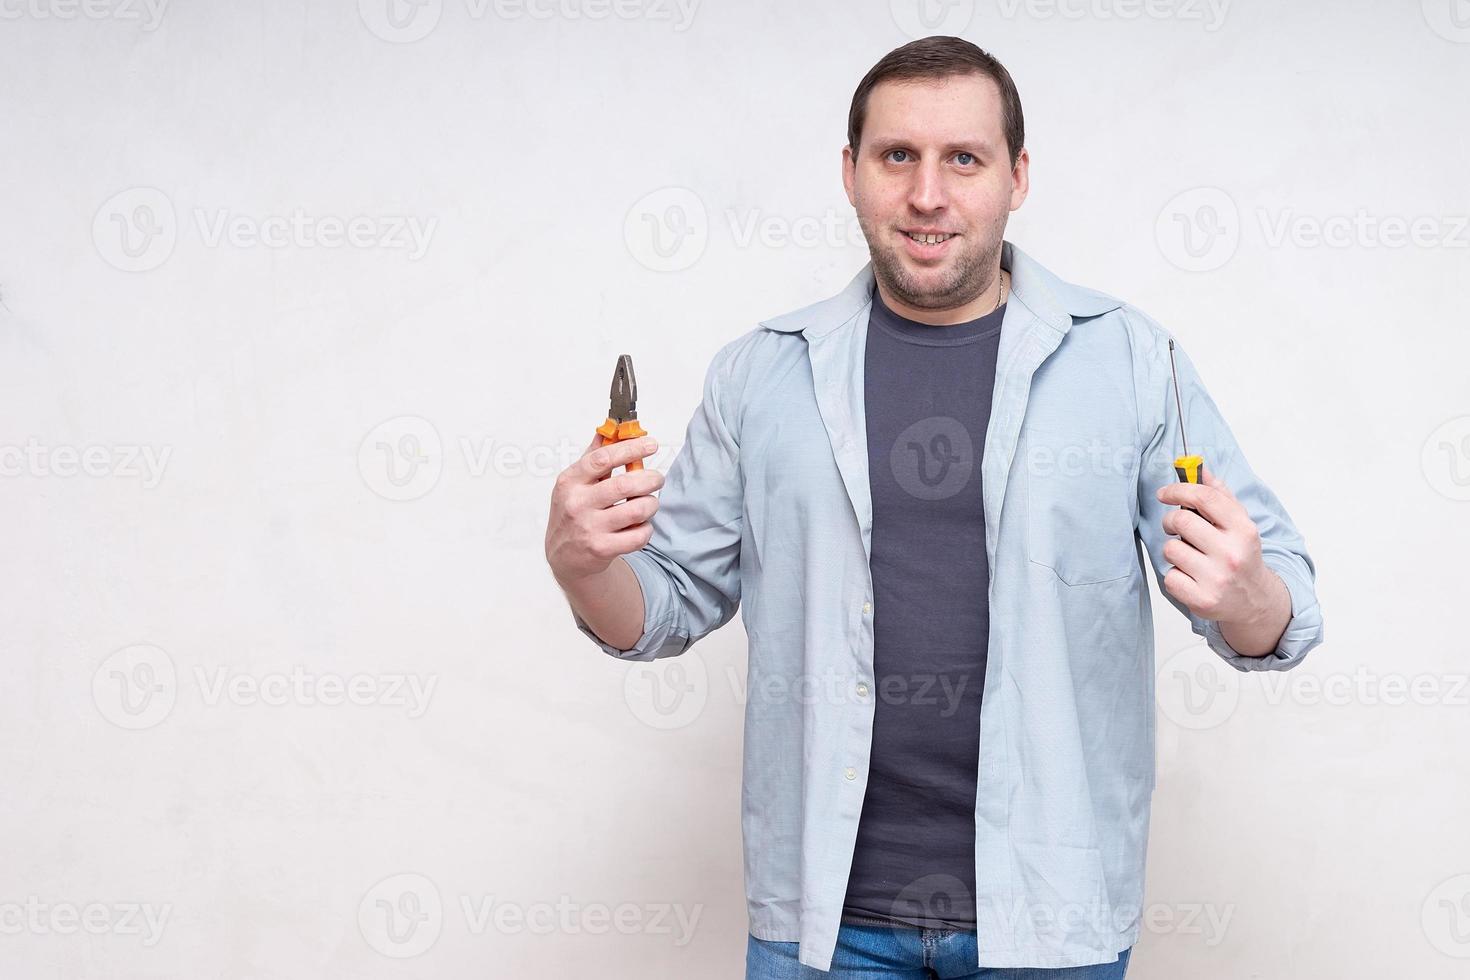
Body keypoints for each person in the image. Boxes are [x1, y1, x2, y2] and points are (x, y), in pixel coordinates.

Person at [544, 35, 1324, 979]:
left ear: (1017, 175)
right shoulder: (761, 375)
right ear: (851, 173)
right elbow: (662, 611)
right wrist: (583, 564)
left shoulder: (1127, 362)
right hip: (824, 928)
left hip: (1049, 920)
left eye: (964, 158)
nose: (927, 195)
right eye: (897, 157)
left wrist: (1246, 599)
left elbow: (1280, 603)